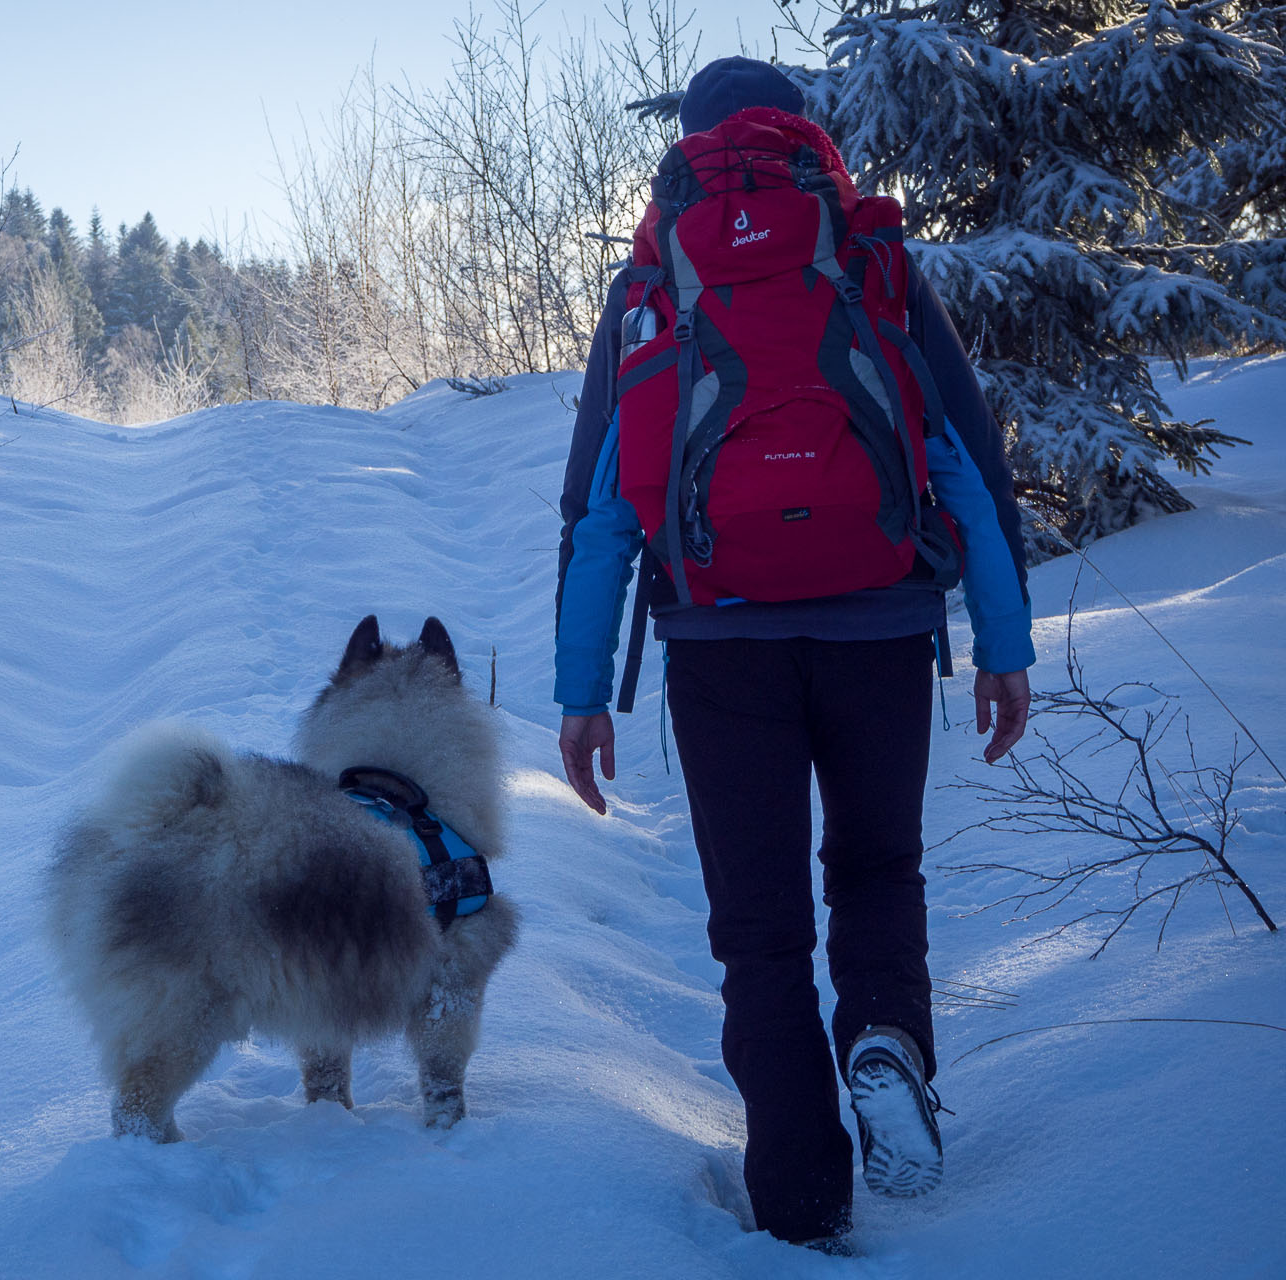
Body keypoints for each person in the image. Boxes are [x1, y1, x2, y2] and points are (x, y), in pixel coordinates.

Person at [552, 56, 1036, 1251]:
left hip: (718, 642)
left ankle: (801, 1197)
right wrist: (1002, 642)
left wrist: (583, 693)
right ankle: (885, 1036)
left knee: (757, 927)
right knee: (878, 869)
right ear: (803, 132)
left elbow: (601, 503)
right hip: (877, 617)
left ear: (691, 140)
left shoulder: (656, 280)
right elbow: (964, 455)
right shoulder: (866, 255)